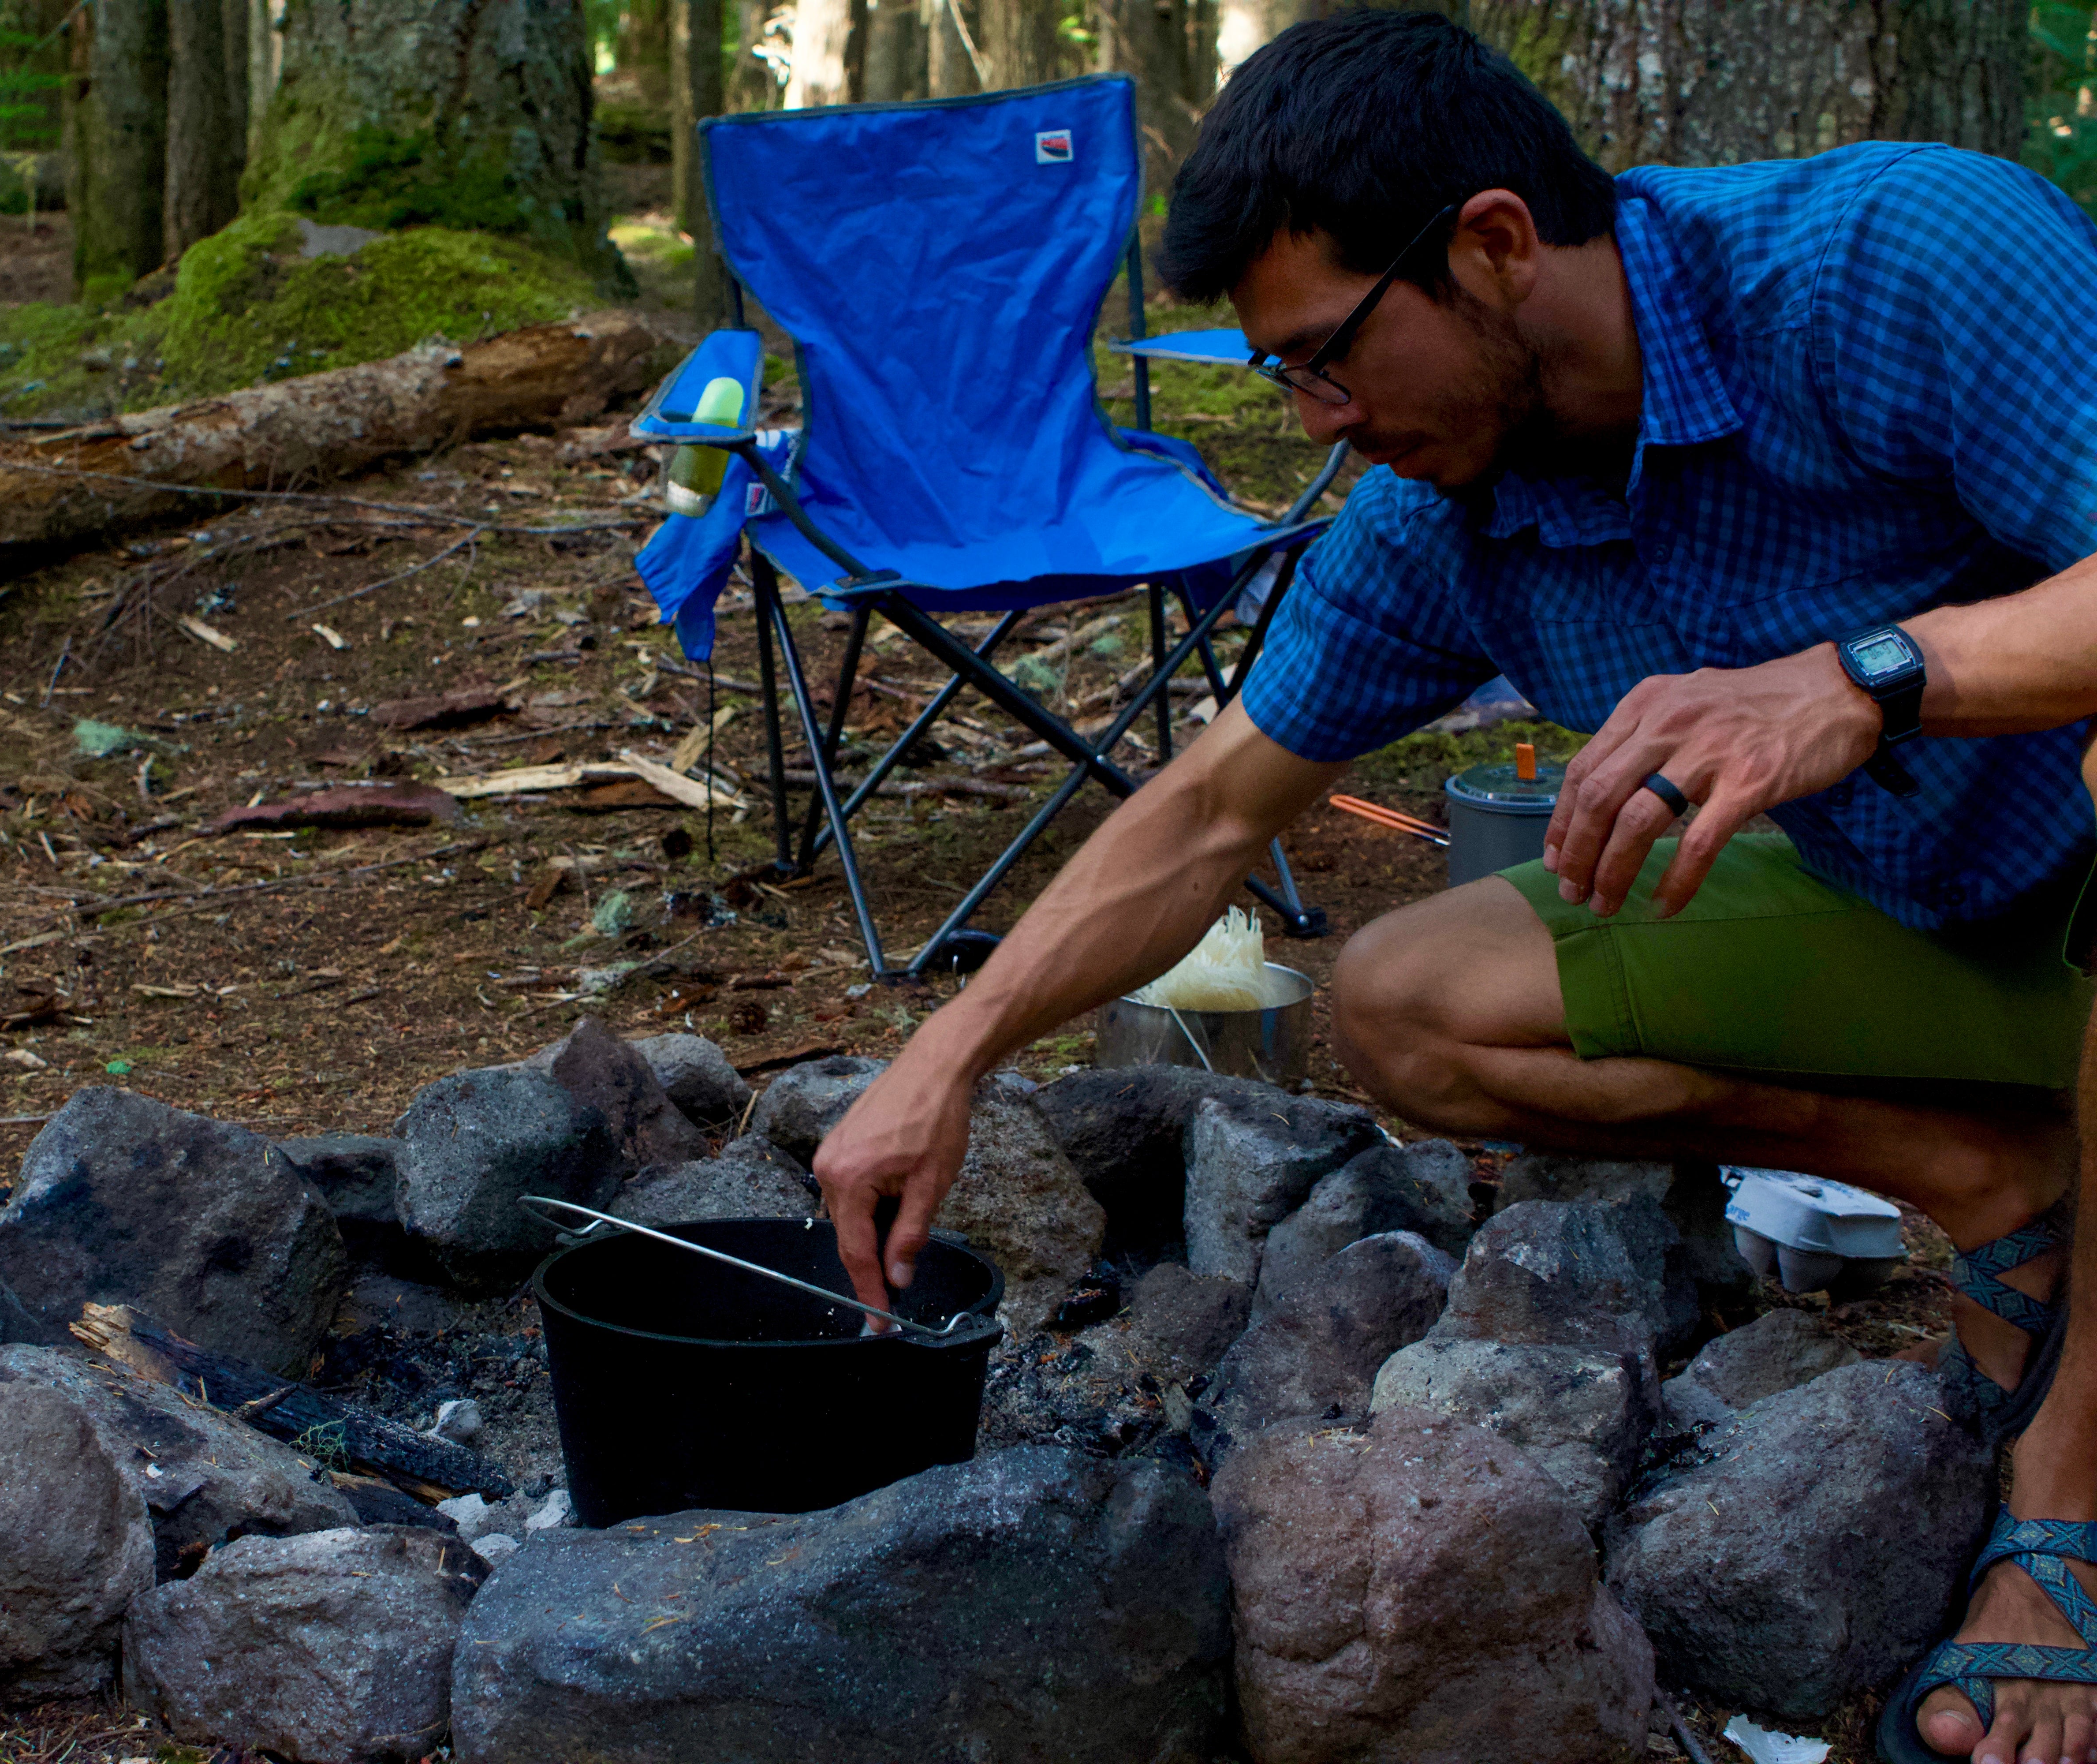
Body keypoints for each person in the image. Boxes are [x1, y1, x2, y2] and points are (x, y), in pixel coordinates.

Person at [809, 13, 2097, 1764]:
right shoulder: (1439, 514)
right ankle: (1995, 1178)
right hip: (1936, 917)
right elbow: (1203, 815)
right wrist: (947, 1053)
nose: (1323, 422)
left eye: (1332, 358)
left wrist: (1856, 675)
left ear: (1493, 242)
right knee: (1405, 997)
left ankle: (2069, 1490)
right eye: (1284, 383)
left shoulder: (1885, 262)